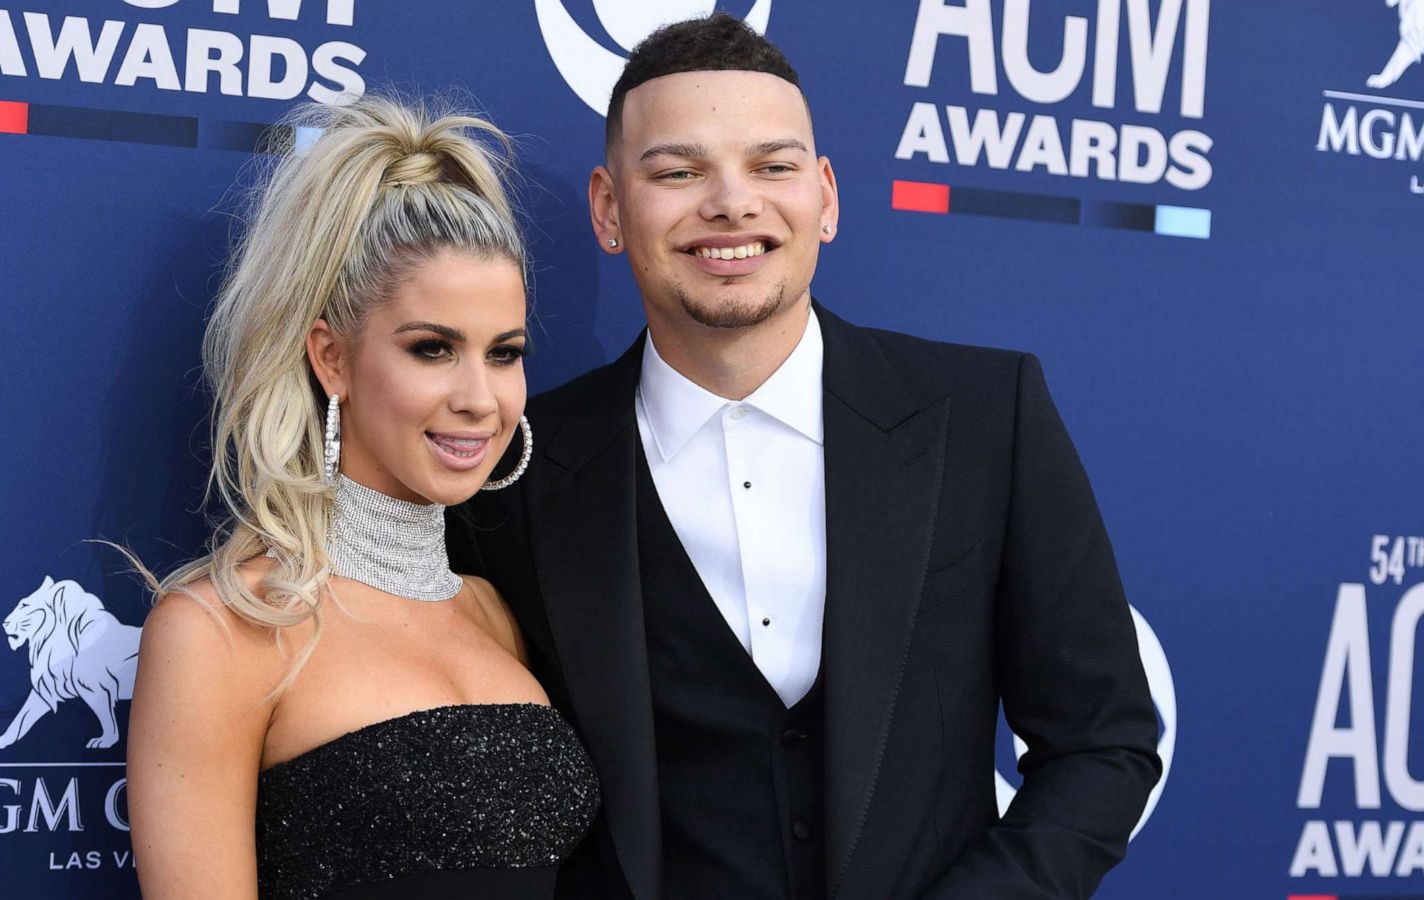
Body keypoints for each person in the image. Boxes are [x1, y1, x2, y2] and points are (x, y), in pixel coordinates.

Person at [448, 14, 1161, 900]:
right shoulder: (512, 467)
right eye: (677, 172)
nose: (732, 204)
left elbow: (1104, 744)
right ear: (608, 209)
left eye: (772, 166)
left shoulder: (986, 417)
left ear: (825, 197)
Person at [125, 95, 599, 900]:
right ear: (332, 358)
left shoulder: (493, 612)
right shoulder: (219, 632)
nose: (480, 398)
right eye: (432, 349)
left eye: (504, 353)